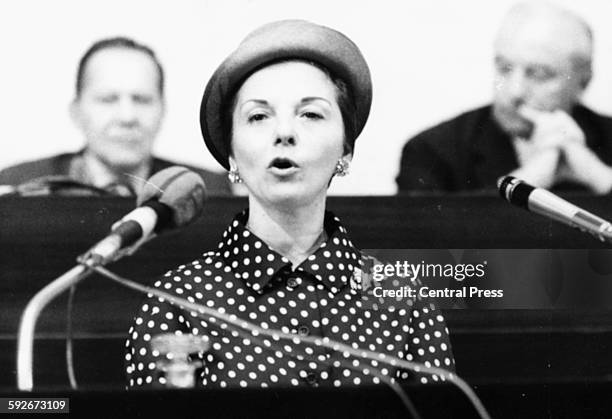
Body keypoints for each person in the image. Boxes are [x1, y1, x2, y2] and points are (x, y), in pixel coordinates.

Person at [125, 20, 454, 389]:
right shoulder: (178, 302)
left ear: (346, 149)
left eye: (310, 114)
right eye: (259, 116)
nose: (284, 133)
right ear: (231, 155)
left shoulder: (400, 298)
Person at [396, 2, 612, 194]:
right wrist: (527, 179)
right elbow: (427, 236)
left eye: (538, 74)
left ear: (583, 81)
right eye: (504, 69)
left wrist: (598, 175)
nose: (515, 91)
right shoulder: (431, 149)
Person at [0, 37, 230, 196]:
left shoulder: (210, 191)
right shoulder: (17, 187)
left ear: (163, 111)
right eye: (108, 100)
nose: (127, 117)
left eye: (142, 100)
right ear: (76, 113)